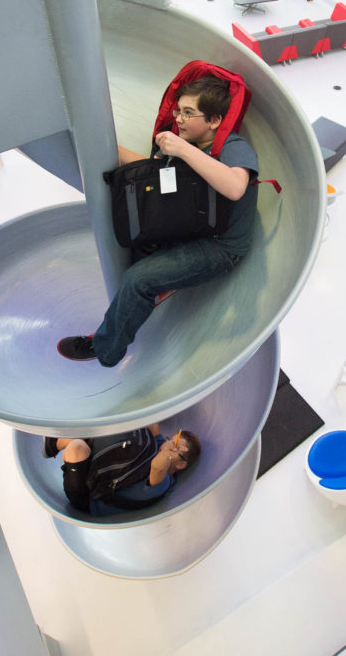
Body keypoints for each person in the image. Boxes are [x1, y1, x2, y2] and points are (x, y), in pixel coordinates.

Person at [57, 75, 259, 367]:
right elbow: (150, 168)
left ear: (214, 120)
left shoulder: (233, 146)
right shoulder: (190, 141)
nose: (179, 119)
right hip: (194, 225)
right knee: (134, 243)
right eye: (178, 111)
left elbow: (235, 187)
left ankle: (106, 350)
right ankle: (160, 285)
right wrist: (96, 145)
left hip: (219, 247)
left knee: (138, 280)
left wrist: (181, 149)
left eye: (189, 113)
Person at [44, 424, 201, 515]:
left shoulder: (164, 482)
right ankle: (51, 445)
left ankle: (55, 445)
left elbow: (158, 467)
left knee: (76, 447)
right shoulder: (159, 446)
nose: (168, 445)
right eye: (170, 440)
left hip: (88, 497)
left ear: (181, 465)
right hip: (96, 468)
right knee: (104, 426)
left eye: (175, 448)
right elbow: (153, 425)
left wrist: (168, 454)